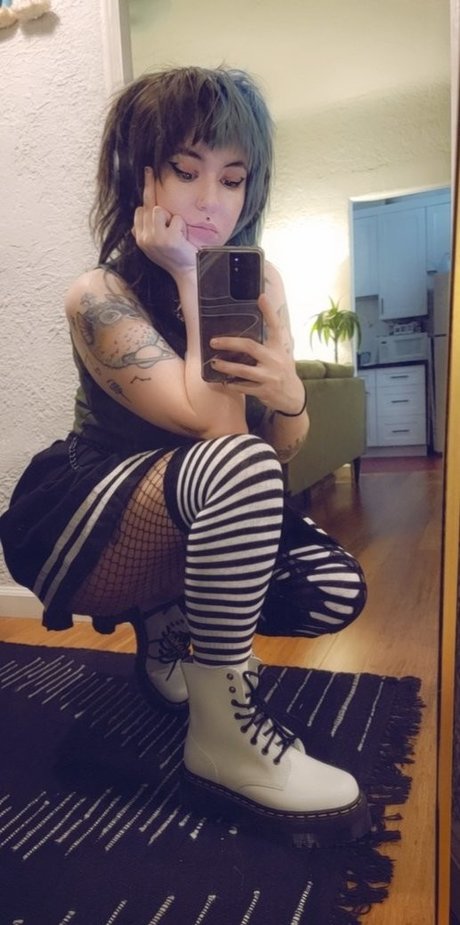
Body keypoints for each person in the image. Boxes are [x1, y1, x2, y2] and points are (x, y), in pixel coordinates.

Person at [0, 66, 369, 846]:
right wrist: (184, 278)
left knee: (334, 588)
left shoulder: (258, 282)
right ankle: (223, 739)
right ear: (140, 175)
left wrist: (291, 396)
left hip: (202, 497)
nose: (211, 201)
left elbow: (277, 452)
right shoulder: (97, 295)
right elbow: (218, 432)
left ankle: (171, 622)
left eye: (232, 178)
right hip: (91, 519)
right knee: (233, 464)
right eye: (185, 169)